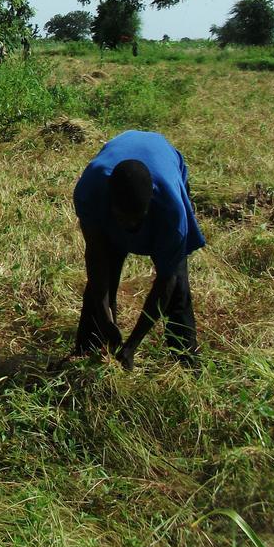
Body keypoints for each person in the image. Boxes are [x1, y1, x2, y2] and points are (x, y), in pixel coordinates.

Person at [72, 130, 205, 370]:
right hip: (111, 175)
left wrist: (132, 345)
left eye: (136, 219)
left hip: (163, 161)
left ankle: (185, 360)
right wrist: (105, 320)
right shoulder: (90, 191)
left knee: (177, 287)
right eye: (122, 218)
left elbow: (166, 280)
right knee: (105, 269)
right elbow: (96, 258)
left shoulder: (171, 211)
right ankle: (86, 353)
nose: (129, 226)